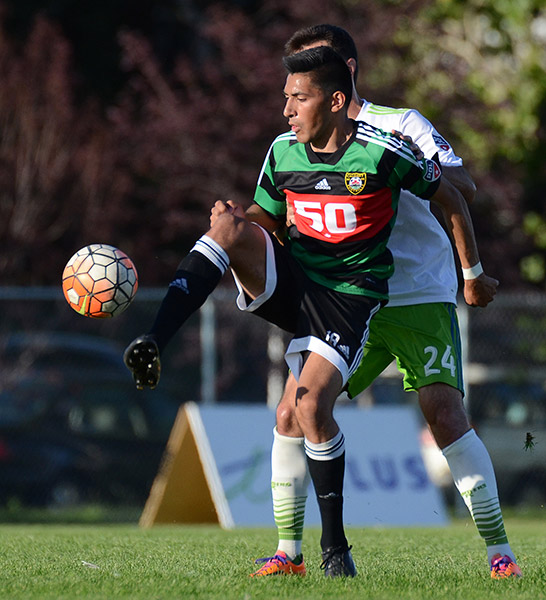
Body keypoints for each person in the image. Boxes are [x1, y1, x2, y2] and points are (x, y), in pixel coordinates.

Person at [124, 46, 466, 577]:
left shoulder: (381, 150)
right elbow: (267, 214)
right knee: (229, 228)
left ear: (335, 100)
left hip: (349, 295)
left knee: (302, 410)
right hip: (301, 281)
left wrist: (473, 273)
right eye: (285, 97)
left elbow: (453, 194)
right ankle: (154, 338)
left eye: (298, 98)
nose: (286, 109)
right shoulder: (282, 151)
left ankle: (333, 551)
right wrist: (241, 222)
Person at [250, 24, 521, 581]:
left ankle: (501, 556)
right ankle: (288, 553)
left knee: (444, 416)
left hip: (417, 294)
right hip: (347, 299)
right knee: (293, 411)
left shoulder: (398, 127)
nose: (293, 97)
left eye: (310, 71)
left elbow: (461, 187)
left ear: (343, 73)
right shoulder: (301, 141)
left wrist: (394, 166)